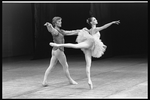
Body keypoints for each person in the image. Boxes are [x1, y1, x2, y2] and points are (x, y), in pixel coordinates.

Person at [50, 17, 120, 89]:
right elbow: (104, 27)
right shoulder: (95, 29)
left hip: (89, 47)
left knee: (88, 64)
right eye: (94, 20)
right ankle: (58, 45)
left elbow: (79, 32)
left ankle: (89, 80)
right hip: (89, 44)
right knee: (77, 47)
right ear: (91, 23)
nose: (96, 20)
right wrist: (112, 23)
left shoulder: (89, 30)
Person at [42, 16, 80, 86]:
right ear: (55, 23)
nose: (61, 22)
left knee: (51, 66)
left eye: (60, 21)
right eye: (59, 21)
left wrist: (81, 31)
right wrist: (49, 26)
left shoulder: (61, 31)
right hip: (59, 51)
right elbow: (52, 30)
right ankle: (70, 80)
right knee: (65, 66)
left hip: (54, 51)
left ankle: (44, 81)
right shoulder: (56, 31)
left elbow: (70, 32)